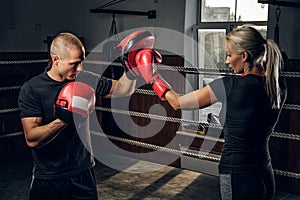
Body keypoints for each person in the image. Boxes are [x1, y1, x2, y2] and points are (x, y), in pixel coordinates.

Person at [123, 26, 287, 200]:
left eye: (230, 55)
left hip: (238, 175)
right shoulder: (278, 86)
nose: (226, 61)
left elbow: (177, 103)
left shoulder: (228, 86)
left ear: (244, 56)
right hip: (265, 173)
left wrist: (153, 77)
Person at [18, 32, 136, 200]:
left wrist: (131, 70)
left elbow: (123, 90)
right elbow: (32, 138)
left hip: (83, 172)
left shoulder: (84, 79)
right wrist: (63, 119)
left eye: (81, 62)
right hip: (50, 177)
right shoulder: (32, 89)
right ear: (56, 60)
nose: (79, 68)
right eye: (74, 63)